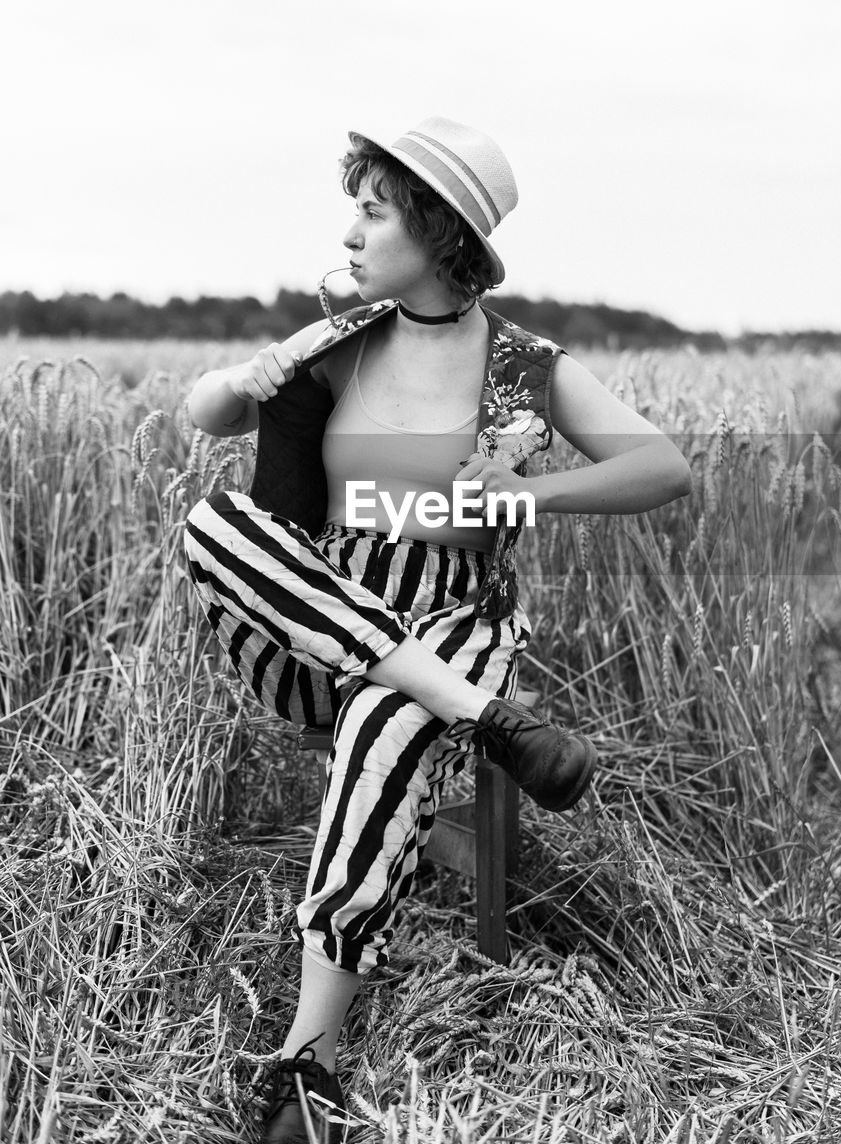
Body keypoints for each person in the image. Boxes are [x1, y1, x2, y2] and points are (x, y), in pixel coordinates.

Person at [183, 117, 691, 1143]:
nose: (354, 231)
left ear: (437, 227)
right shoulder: (337, 342)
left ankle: (306, 1060)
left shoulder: (518, 365)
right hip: (309, 629)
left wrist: (531, 493)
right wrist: (254, 373)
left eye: (375, 210)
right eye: (356, 210)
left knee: (385, 722)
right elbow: (206, 415)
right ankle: (479, 714)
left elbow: (663, 467)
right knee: (209, 521)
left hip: (458, 614)